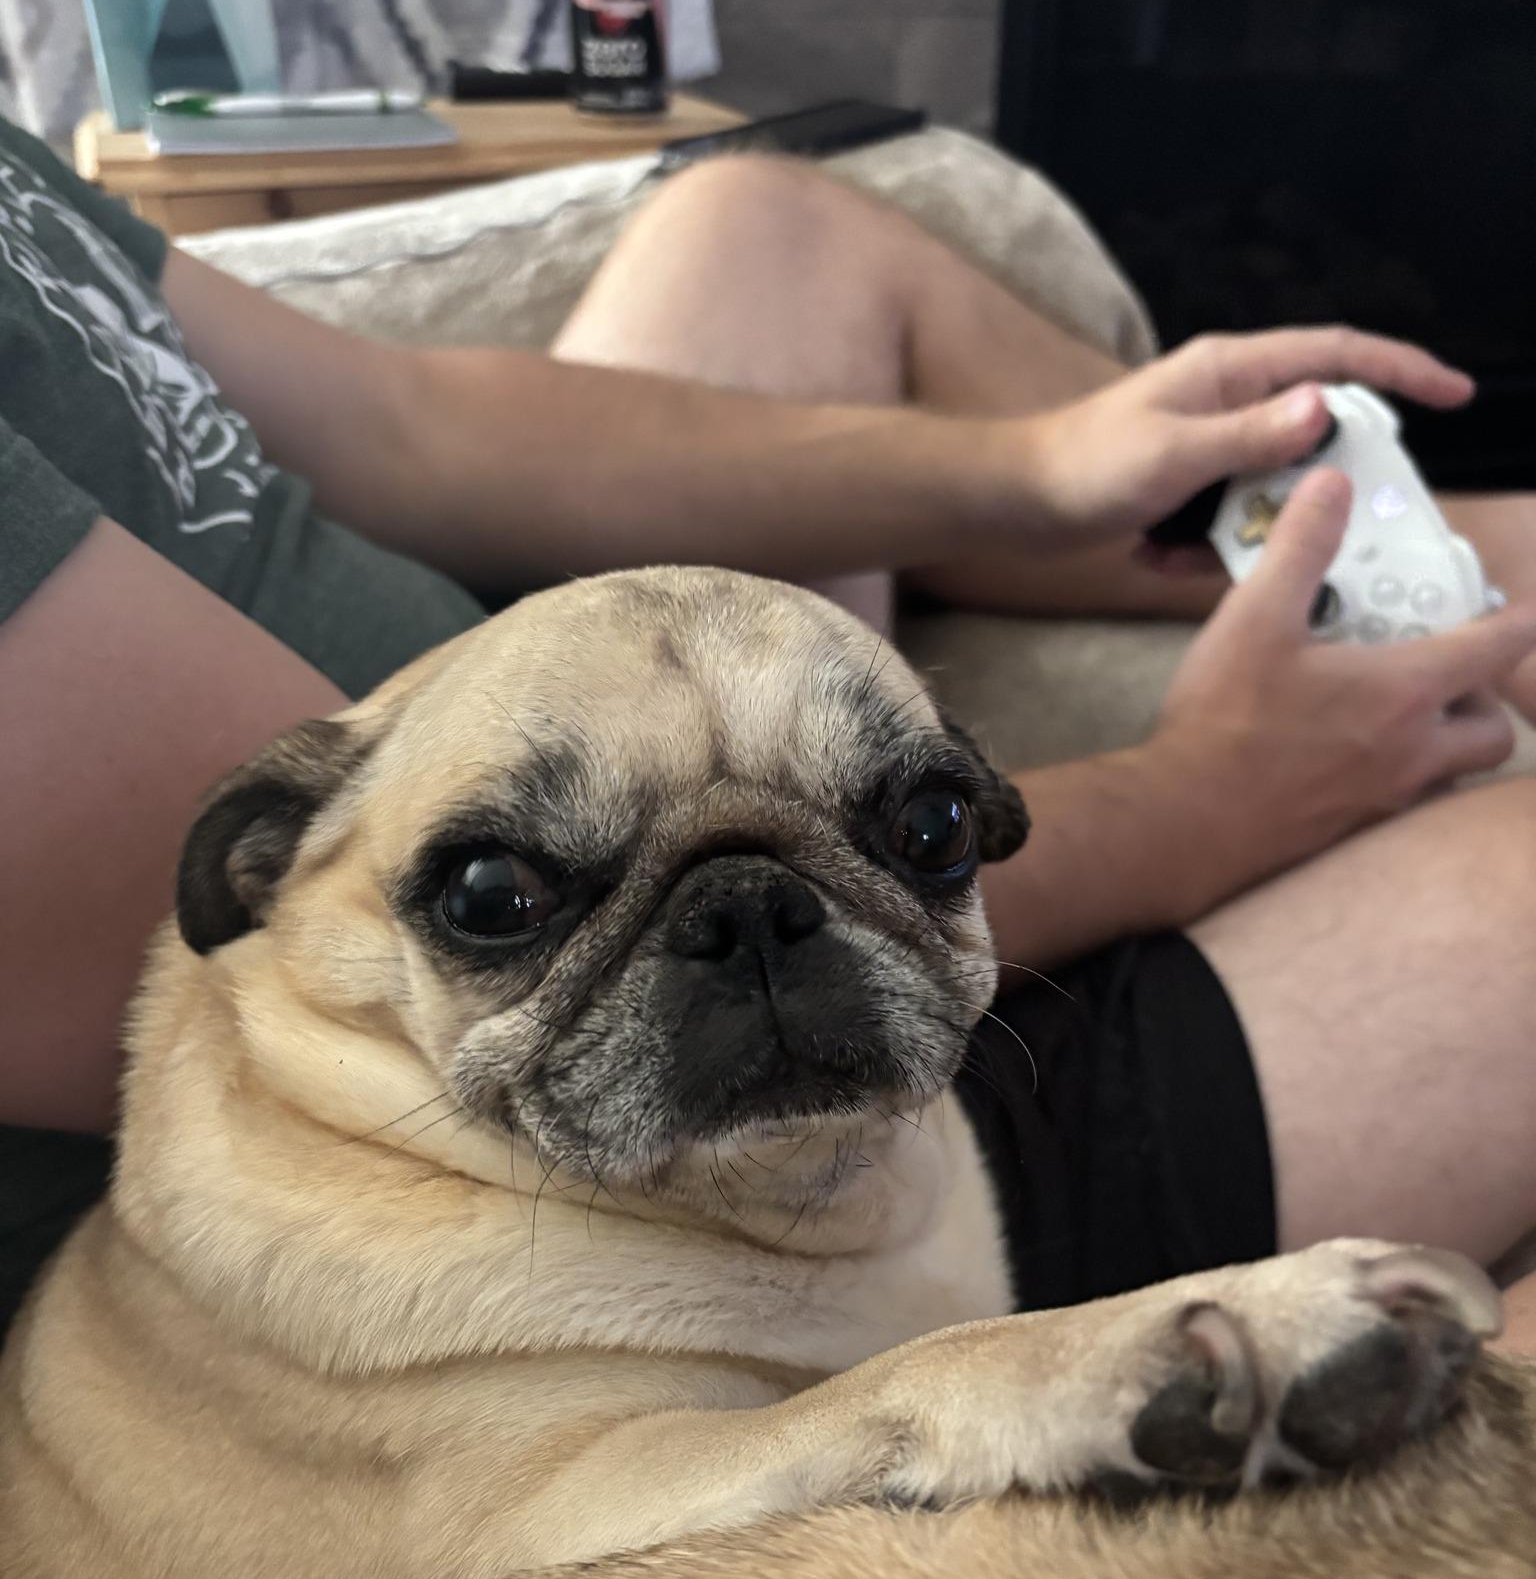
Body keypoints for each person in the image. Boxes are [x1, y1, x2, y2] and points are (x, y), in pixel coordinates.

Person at [4, 111, 1536, 1332]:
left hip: (504, 687)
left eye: (925, 833)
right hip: (581, 1221)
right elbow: (284, 979)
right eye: (502, 891)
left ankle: (1438, 551)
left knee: (768, 221)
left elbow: (403, 424)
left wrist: (1039, 465)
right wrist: (1211, 790)